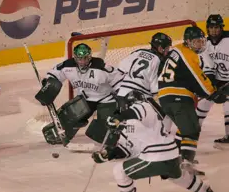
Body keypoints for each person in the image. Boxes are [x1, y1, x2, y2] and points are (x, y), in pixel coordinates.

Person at [92, 90, 214, 192]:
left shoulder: (145, 107)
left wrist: (118, 117)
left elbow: (136, 110)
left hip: (157, 156)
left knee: (120, 171)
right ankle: (204, 189)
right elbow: (126, 149)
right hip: (171, 156)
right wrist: (107, 154)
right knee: (178, 178)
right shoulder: (128, 124)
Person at [35, 40, 124, 146]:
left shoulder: (101, 67)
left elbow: (119, 79)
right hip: (85, 99)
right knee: (67, 117)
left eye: (85, 58)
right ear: (75, 57)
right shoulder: (68, 66)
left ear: (90, 57)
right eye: (79, 59)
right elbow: (55, 73)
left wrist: (121, 97)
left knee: (106, 128)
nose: (82, 62)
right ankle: (63, 135)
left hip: (106, 99)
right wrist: (49, 83)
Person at [157, 26, 220, 174]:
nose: (200, 45)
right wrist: (212, 93)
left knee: (184, 128)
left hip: (166, 98)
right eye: (196, 42)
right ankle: (186, 164)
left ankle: (177, 157)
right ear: (188, 42)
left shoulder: (174, 52)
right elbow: (197, 78)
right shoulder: (186, 53)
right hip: (178, 97)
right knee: (191, 130)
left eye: (201, 41)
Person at [196, 14, 229, 146]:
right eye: (211, 27)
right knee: (201, 106)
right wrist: (212, 83)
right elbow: (206, 66)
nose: (214, 30)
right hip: (215, 81)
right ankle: (191, 134)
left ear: (221, 27)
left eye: (216, 27)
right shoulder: (205, 43)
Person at [117, 32, 172, 98]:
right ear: (160, 48)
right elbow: (154, 90)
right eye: (167, 48)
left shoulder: (138, 52)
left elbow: (120, 69)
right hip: (140, 96)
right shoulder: (159, 61)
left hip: (122, 92)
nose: (168, 50)